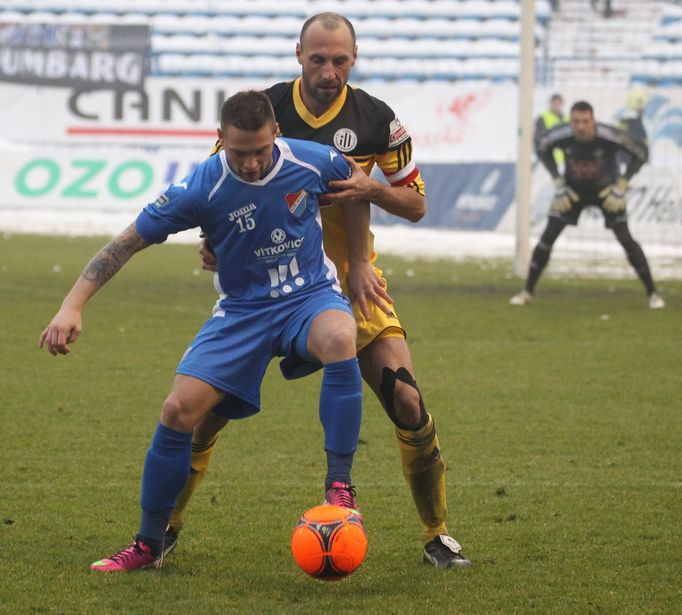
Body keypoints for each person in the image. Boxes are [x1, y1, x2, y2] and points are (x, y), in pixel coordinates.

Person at [167, 12, 471, 569]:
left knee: (406, 398)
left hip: (347, 286)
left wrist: (369, 195)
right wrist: (209, 242)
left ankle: (438, 535)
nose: (329, 71)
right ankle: (166, 528)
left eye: (340, 61)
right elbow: (216, 186)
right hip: (260, 292)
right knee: (204, 414)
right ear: (298, 55)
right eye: (318, 59)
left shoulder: (377, 119)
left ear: (353, 59)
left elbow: (418, 203)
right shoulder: (261, 110)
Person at [38, 90, 384, 571]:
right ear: (220, 140)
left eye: (260, 150)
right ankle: (148, 544)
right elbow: (127, 241)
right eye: (239, 152)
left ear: (276, 134)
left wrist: (362, 260)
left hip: (310, 297)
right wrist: (71, 306)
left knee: (341, 338)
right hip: (242, 311)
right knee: (179, 410)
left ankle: (340, 489)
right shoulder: (202, 185)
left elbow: (358, 187)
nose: (250, 162)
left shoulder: (312, 160)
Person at [510, 100, 665, 309]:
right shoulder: (560, 135)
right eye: (575, 122)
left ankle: (653, 294)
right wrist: (557, 180)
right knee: (548, 235)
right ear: (570, 121)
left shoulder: (610, 136)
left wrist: (622, 183)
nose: (580, 127)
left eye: (585, 121)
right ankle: (527, 291)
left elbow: (641, 152)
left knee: (626, 239)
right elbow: (542, 148)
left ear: (593, 121)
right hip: (572, 192)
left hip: (606, 192)